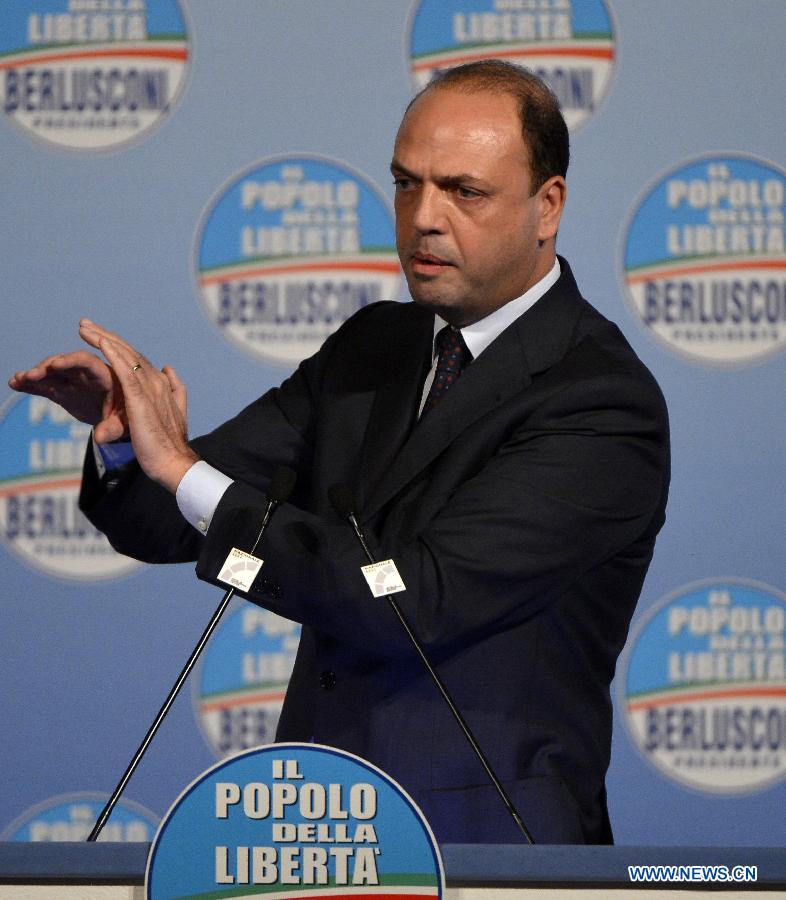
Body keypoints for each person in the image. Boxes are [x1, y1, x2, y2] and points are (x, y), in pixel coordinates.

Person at [9, 61, 669, 845]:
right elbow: (169, 521)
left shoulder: (598, 400)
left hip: (492, 853)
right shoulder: (371, 349)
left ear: (547, 206)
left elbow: (410, 603)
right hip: (314, 836)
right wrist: (130, 445)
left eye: (464, 191)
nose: (423, 217)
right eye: (405, 183)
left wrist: (183, 468)